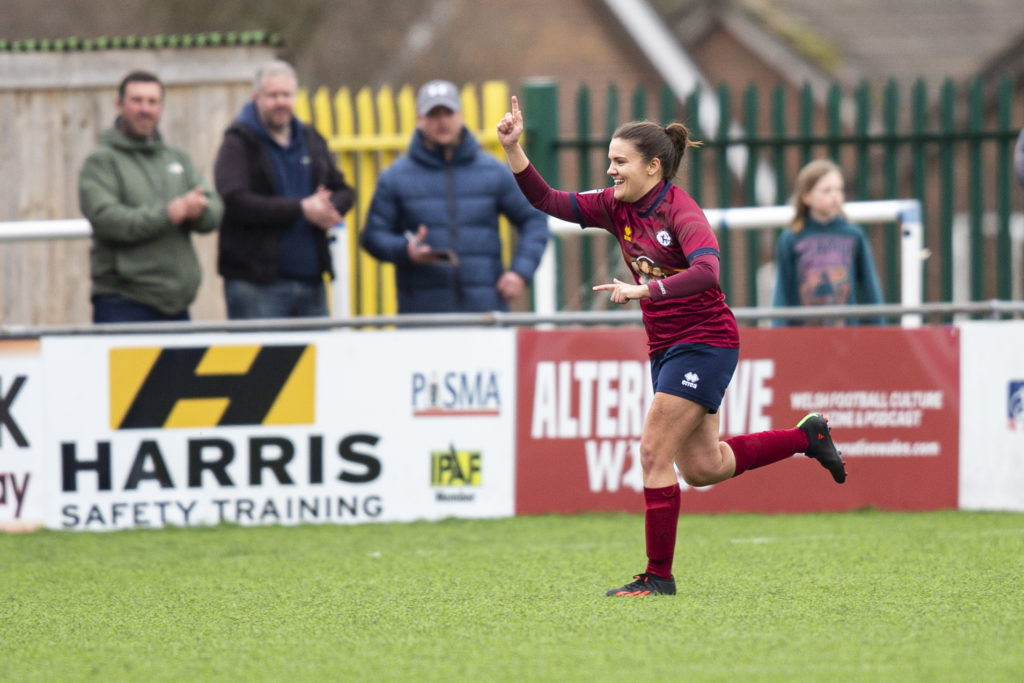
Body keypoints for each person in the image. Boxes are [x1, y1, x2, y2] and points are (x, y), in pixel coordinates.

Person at [497, 96, 847, 597]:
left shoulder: (681, 210)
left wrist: (646, 289)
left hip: (705, 343)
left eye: (620, 161)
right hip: (668, 349)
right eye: (610, 161)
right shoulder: (615, 205)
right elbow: (548, 201)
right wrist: (513, 149)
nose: (610, 170)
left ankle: (657, 577)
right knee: (705, 468)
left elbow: (708, 272)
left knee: (651, 451)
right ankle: (806, 438)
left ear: (653, 166)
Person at [360, 80, 549, 313]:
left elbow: (534, 219)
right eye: (433, 114)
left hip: (485, 315)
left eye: (447, 112)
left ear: (460, 115)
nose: (442, 121)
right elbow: (372, 236)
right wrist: (404, 249)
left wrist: (520, 272)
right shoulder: (395, 178)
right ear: (419, 120)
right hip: (422, 318)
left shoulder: (493, 172)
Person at [78, 70, 223, 323]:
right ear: (119, 105)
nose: (145, 109)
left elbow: (214, 207)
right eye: (137, 100)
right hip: (122, 302)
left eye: (152, 101)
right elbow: (106, 219)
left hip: (177, 304)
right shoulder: (101, 162)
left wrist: (201, 209)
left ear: (161, 107)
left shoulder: (177, 158)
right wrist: (169, 214)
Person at [214, 60, 355, 319]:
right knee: (260, 360)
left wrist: (329, 209)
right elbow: (234, 200)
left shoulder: (311, 139)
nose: (281, 102)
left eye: (286, 95)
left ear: (296, 96)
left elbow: (344, 189)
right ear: (257, 97)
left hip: (312, 282)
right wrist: (301, 208)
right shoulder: (238, 142)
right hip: (256, 285)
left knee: (318, 360)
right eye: (273, 95)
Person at [772, 159, 884, 326]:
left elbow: (869, 286)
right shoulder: (791, 238)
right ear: (806, 197)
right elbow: (783, 289)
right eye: (826, 191)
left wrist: (877, 326)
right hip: (804, 335)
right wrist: (779, 331)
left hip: (847, 333)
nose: (835, 196)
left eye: (839, 190)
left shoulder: (854, 235)